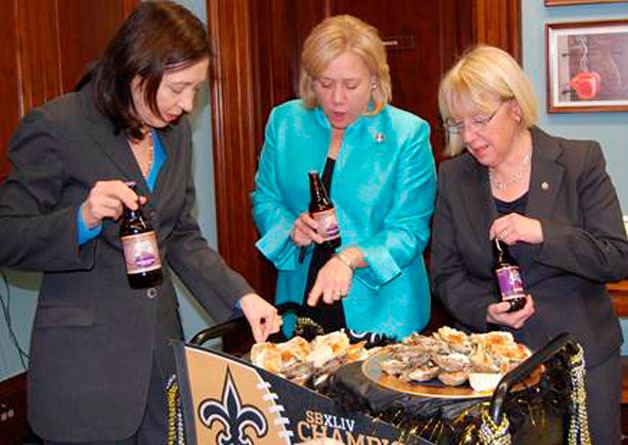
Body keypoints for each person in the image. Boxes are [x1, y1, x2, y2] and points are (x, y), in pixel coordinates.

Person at [0, 2, 281, 443]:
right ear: (136, 71)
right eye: (177, 88)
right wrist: (82, 217)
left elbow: (182, 236)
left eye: (196, 90)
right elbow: (8, 235)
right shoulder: (56, 125)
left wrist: (241, 297)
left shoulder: (174, 134)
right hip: (84, 377)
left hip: (160, 363)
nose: (187, 105)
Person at [431, 45, 628, 444]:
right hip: (495, 365)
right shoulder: (454, 177)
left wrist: (543, 232)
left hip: (580, 360)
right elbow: (446, 274)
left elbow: (616, 257)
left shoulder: (579, 161)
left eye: (480, 120)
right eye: (458, 125)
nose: (469, 137)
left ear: (515, 108)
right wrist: (486, 309)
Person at [252, 15, 436, 339]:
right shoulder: (284, 123)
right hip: (302, 299)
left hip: (384, 308)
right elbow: (266, 199)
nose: (337, 98)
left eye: (351, 85)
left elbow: (409, 230)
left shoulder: (408, 135)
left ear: (375, 81)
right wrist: (290, 229)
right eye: (325, 83)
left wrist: (351, 258)